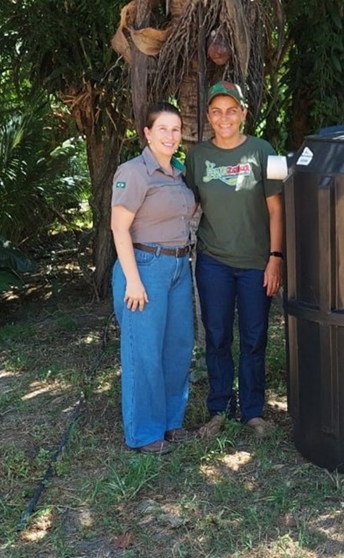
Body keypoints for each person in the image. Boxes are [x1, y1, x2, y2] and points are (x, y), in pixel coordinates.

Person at [185, 81, 284, 439]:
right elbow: (188, 205)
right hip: (213, 261)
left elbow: (277, 210)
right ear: (209, 116)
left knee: (255, 337)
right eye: (216, 110)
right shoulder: (198, 156)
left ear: (243, 113)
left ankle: (253, 411)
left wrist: (276, 257)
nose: (223, 117)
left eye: (231, 110)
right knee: (217, 335)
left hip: (257, 261)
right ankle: (219, 409)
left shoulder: (263, 151)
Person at [111, 101, 197, 454]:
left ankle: (170, 424)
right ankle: (146, 434)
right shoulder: (133, 172)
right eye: (162, 128)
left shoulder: (177, 173)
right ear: (147, 133)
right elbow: (119, 228)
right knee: (144, 352)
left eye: (175, 129)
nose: (170, 135)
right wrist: (132, 279)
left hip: (179, 268)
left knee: (177, 348)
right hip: (145, 267)